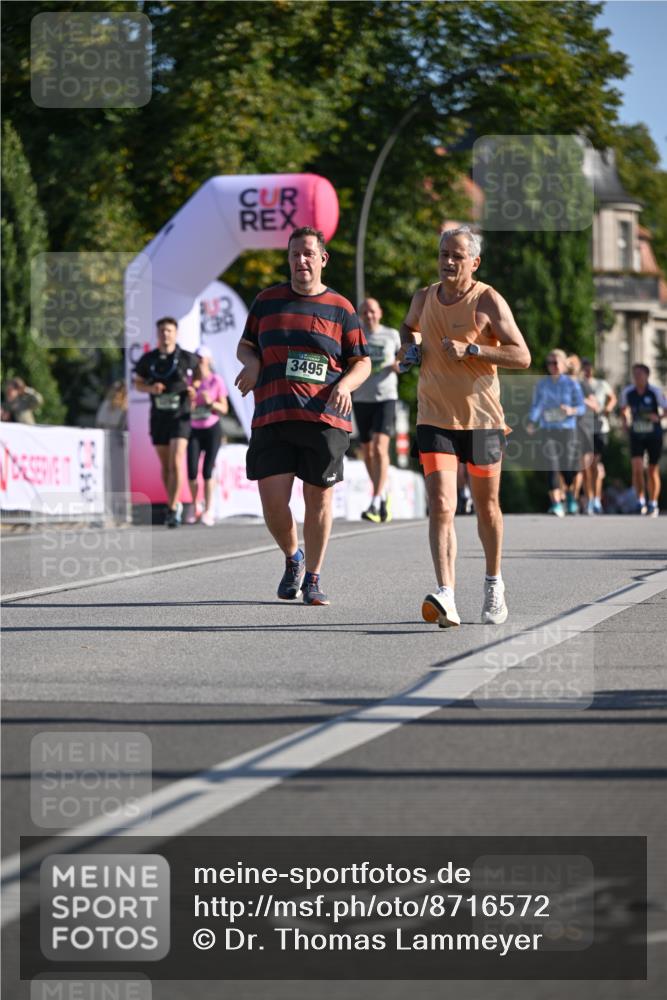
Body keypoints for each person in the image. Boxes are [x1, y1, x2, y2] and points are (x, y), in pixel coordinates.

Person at [398, 226, 531, 628]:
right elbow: (408, 327)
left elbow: (521, 355)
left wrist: (473, 349)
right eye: (443, 253)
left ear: (474, 262)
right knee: (441, 504)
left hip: (482, 421)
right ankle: (447, 594)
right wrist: (410, 348)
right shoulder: (423, 297)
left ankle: (493, 582)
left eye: (457, 255)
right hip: (434, 418)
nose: (448, 261)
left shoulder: (487, 300)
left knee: (487, 508)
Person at [235, 226, 370, 605]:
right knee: (273, 502)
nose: (301, 260)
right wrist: (252, 363)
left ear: (322, 259)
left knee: (318, 499)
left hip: (324, 418)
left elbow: (362, 362)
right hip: (273, 415)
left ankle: (313, 576)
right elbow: (245, 346)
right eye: (295, 254)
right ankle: (292, 557)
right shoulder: (267, 301)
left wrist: (345, 386)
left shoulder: (341, 309)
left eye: (308, 253)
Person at [133, 317, 198, 527]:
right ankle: (175, 502)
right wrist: (152, 389)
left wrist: (193, 387)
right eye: (162, 331)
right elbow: (138, 383)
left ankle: (171, 508)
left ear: (175, 333)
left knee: (176, 460)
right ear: (157, 334)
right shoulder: (149, 359)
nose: (165, 334)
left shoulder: (186, 357)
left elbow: (201, 372)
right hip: (159, 416)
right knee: (166, 465)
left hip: (180, 415)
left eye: (169, 330)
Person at [351, 297, 402, 523]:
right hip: (361, 398)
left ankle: (376, 498)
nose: (369, 315)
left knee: (381, 448)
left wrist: (400, 365)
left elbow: (405, 359)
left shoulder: (391, 335)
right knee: (368, 451)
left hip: (385, 397)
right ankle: (381, 493)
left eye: (372, 311)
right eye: (364, 312)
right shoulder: (355, 336)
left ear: (380, 313)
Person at [527, 350, 586, 517]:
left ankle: (569, 494)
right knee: (552, 466)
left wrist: (571, 409)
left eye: (555, 363)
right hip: (548, 429)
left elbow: (582, 407)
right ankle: (556, 504)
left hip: (568, 429)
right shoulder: (542, 384)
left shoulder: (572, 384)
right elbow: (537, 405)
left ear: (563, 364)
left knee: (569, 470)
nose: (552, 366)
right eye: (549, 363)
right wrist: (532, 422)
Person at [186, 346, 229, 526]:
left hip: (211, 428)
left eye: (202, 359)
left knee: (208, 471)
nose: (199, 362)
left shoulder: (216, 380)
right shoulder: (189, 381)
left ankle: (208, 509)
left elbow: (224, 409)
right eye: (196, 359)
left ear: (209, 361)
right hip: (193, 428)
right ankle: (195, 504)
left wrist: (210, 402)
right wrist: (191, 398)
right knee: (192, 471)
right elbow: (184, 408)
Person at [620, 363, 665, 517]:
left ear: (647, 375)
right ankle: (640, 500)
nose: (637, 377)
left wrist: (657, 417)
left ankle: (653, 502)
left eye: (640, 374)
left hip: (654, 434)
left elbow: (665, 410)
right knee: (637, 468)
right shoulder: (628, 392)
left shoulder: (655, 392)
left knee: (652, 469)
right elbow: (623, 409)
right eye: (635, 374)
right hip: (636, 433)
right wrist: (625, 422)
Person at [580, 358, 616, 514]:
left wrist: (607, 409)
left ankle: (595, 499)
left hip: (600, 428)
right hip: (583, 428)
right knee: (586, 465)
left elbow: (613, 398)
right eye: (584, 368)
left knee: (595, 464)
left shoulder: (601, 384)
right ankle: (589, 498)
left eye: (588, 368)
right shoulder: (578, 385)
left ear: (592, 369)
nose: (587, 371)